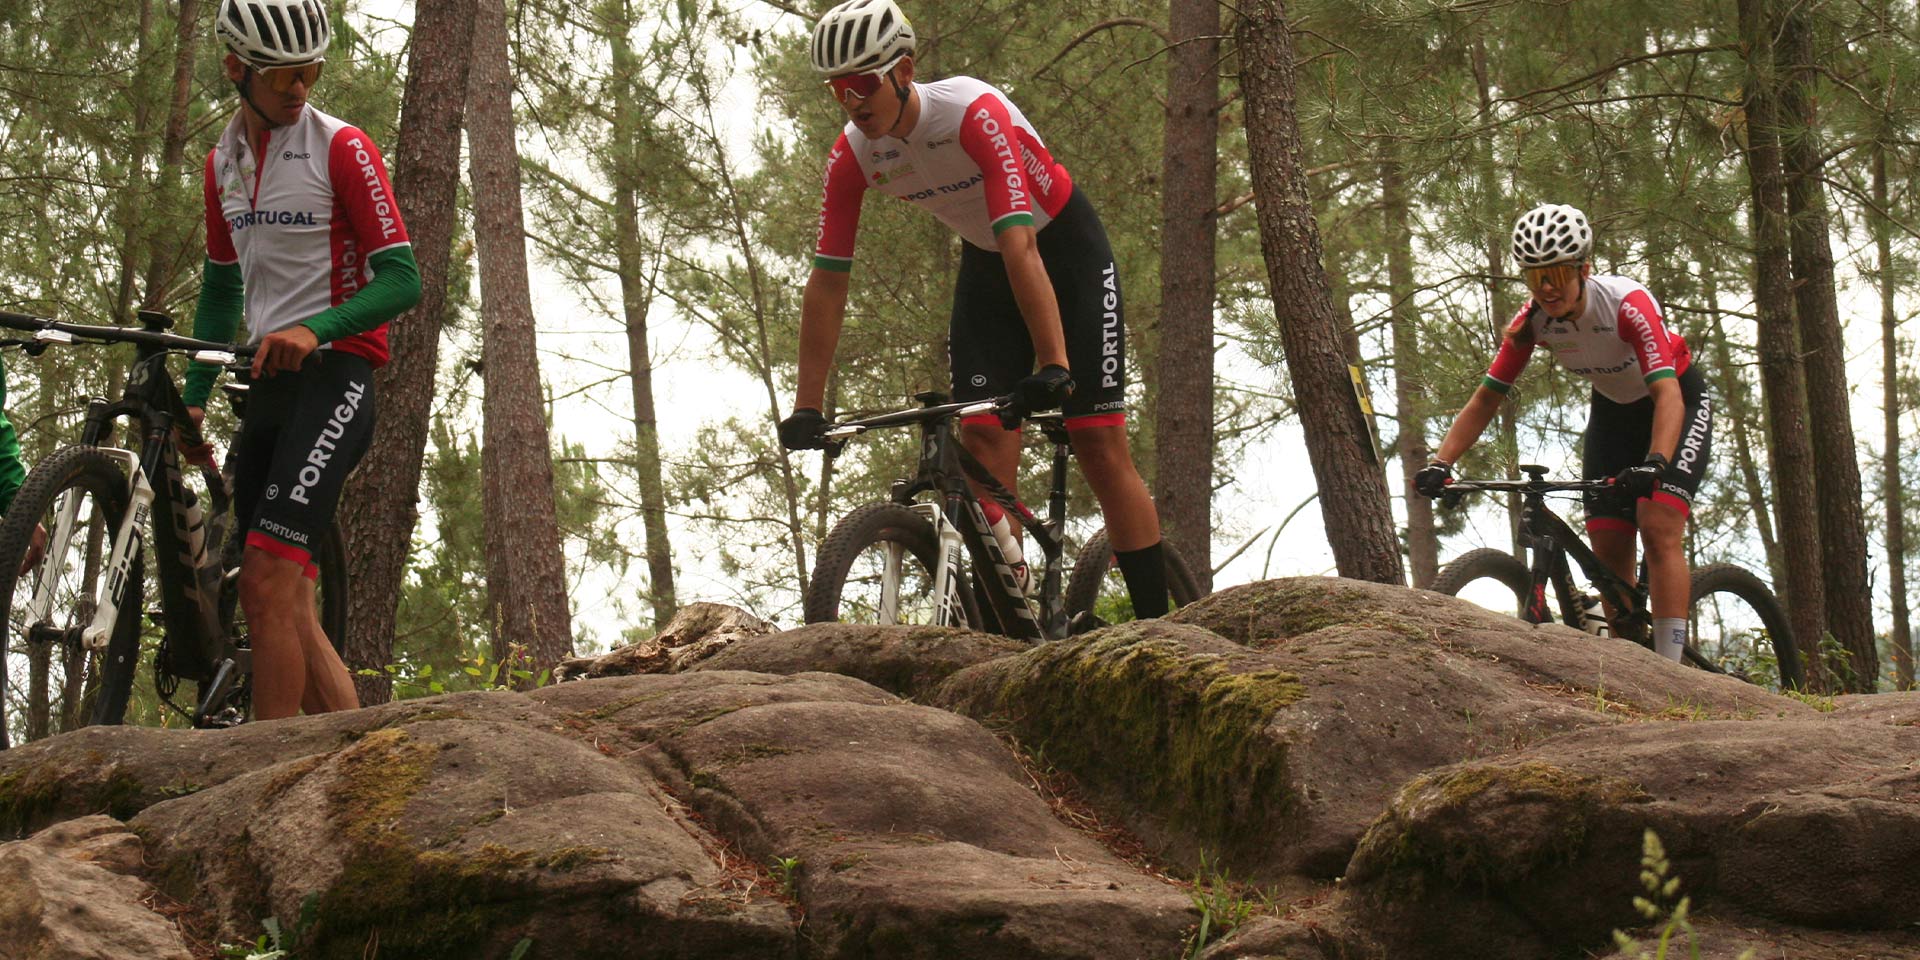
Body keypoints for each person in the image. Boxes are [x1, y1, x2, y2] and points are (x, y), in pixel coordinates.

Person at [777, 0, 1172, 616]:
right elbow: (828, 281)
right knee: (983, 436)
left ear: (904, 71)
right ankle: (1010, 605)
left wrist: (1054, 363)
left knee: (1097, 443)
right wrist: (807, 405)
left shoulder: (971, 113)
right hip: (989, 264)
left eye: (862, 84)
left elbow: (1022, 243)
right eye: (837, 90)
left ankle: (1159, 626)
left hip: (1062, 250)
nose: (852, 102)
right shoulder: (853, 154)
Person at [182, 0, 420, 718]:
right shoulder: (222, 162)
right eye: (283, 75)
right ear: (236, 69)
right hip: (268, 389)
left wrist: (316, 330)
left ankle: (266, 766)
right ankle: (353, 749)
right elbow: (221, 289)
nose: (299, 88)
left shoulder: (341, 146)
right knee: (288, 603)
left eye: (310, 72)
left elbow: (403, 279)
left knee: (263, 584)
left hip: (335, 379)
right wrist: (194, 395)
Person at [1415, 204, 1712, 661]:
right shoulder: (1533, 321)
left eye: (1555, 274)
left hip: (1676, 404)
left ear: (1583, 270)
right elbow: (1486, 398)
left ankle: (1672, 671)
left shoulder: (1627, 305)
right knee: (1608, 542)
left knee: (1657, 525)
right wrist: (1442, 462)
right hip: (1613, 414)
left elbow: (1667, 394)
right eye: (1536, 278)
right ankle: (1629, 664)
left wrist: (1656, 462)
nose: (1547, 288)